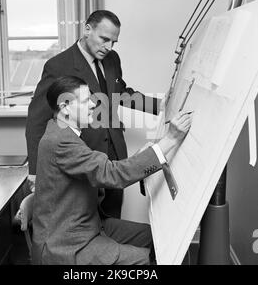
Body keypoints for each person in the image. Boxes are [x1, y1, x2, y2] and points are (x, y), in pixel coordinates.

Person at [32, 76, 192, 265]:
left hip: (89, 224)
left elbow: (98, 168)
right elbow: (111, 174)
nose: (93, 105)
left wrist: (140, 157)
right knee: (146, 260)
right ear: (65, 108)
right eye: (85, 101)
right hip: (67, 244)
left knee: (156, 239)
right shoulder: (61, 141)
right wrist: (171, 139)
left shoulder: (62, 131)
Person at [26, 10, 164, 218]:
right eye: (104, 39)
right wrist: (35, 172)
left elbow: (122, 94)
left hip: (115, 156)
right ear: (87, 30)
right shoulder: (58, 66)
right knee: (88, 225)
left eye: (114, 42)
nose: (108, 47)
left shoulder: (112, 59)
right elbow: (36, 121)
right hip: (83, 160)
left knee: (113, 221)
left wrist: (161, 105)